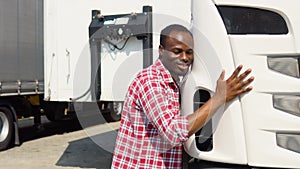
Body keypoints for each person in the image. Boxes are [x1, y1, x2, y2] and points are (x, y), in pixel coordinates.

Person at [111, 24, 254, 169]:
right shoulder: (150, 81)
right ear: (161, 51)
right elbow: (172, 133)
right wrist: (219, 98)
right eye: (177, 51)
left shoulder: (175, 83)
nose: (185, 58)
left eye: (189, 52)